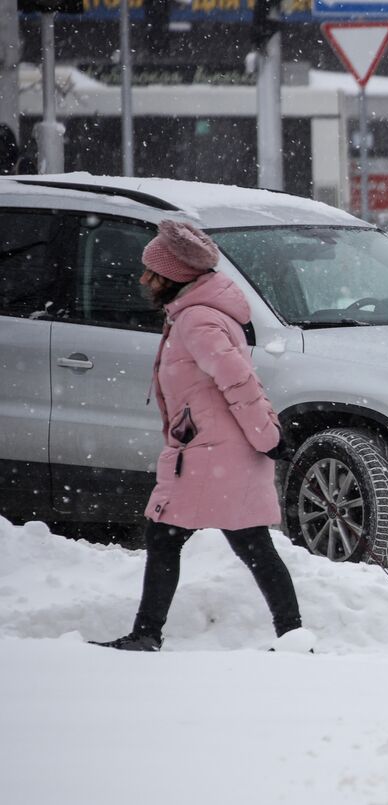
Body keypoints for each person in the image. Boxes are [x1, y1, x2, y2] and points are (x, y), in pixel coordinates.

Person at [89, 220, 310, 653]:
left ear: (171, 277)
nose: (141, 280)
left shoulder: (197, 322)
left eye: (150, 272)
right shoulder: (192, 315)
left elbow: (240, 382)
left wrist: (267, 436)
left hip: (214, 453)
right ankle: (293, 635)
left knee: (174, 536)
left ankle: (148, 633)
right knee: (245, 542)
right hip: (213, 449)